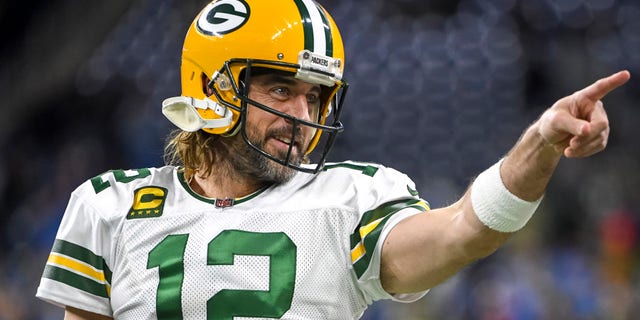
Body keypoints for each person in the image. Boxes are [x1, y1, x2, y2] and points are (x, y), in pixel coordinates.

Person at [35, 0, 630, 319]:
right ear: (212, 88)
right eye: (279, 91)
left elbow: (464, 232)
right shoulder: (108, 205)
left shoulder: (349, 200)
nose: (303, 117)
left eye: (316, 96)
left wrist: (541, 143)